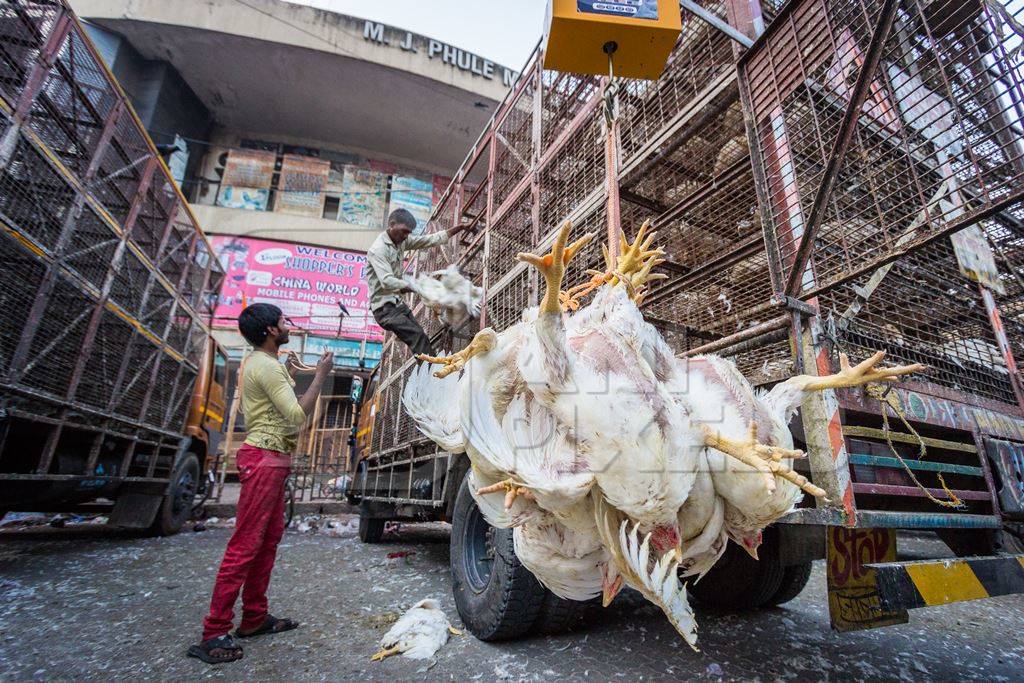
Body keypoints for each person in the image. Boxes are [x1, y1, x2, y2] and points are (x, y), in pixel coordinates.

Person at [188, 303, 333, 665]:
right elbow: (297, 416)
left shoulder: (267, 363)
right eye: (284, 322)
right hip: (264, 460)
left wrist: (295, 370)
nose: (288, 326)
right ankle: (213, 632)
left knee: (266, 542)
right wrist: (321, 375)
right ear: (270, 330)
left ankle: (253, 617)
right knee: (245, 545)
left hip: (273, 460)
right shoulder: (265, 367)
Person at [366, 208, 474, 355]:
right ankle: (433, 372)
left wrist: (459, 228)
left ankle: (431, 368)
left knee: (420, 337)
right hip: (384, 309)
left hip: (397, 304)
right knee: (418, 338)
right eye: (404, 231)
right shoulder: (378, 250)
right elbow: (387, 281)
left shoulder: (401, 241)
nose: (406, 236)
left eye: (409, 233)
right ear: (392, 224)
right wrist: (416, 286)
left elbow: (430, 240)